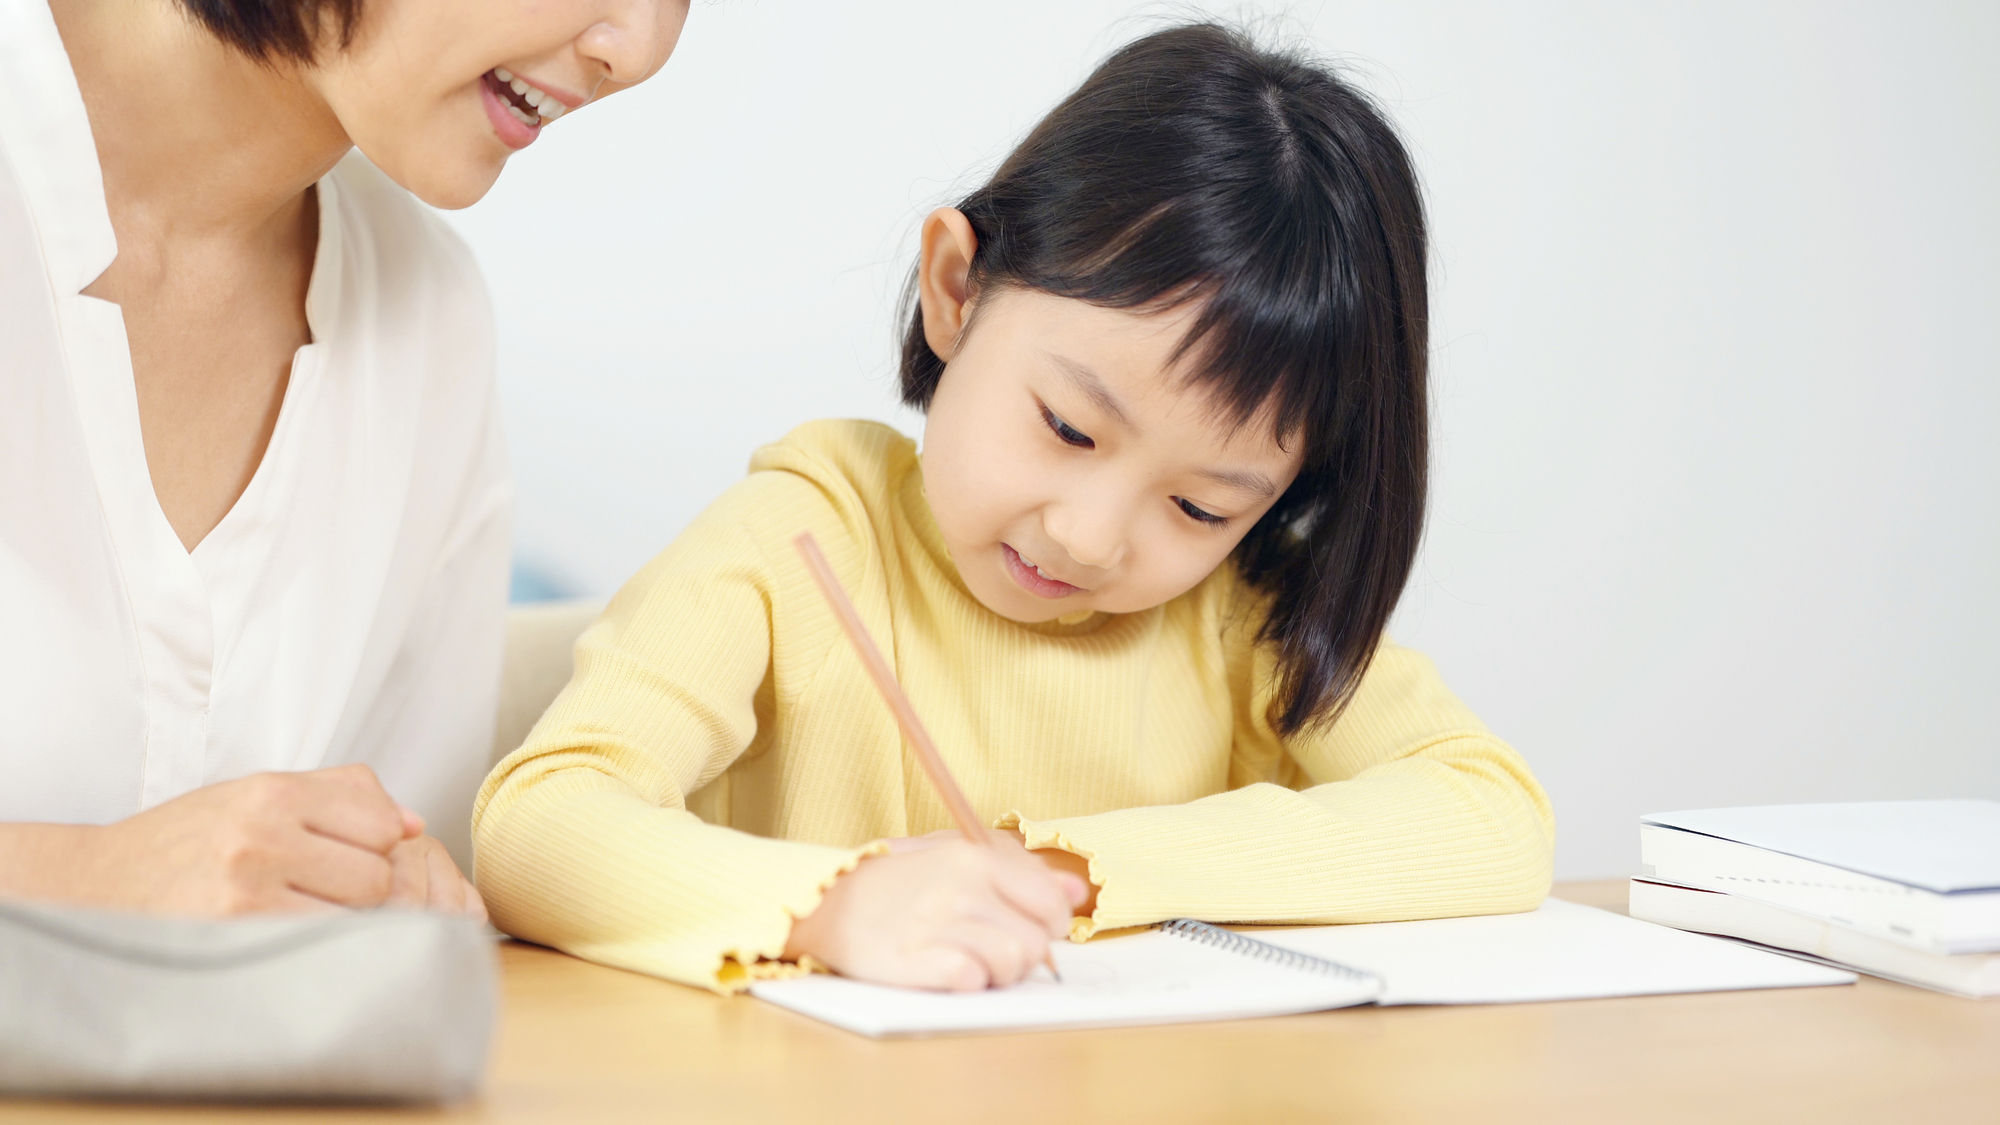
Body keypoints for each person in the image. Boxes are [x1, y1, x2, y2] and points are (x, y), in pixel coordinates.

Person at [472, 23, 1554, 993]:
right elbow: (537, 827)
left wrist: (1072, 869)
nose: (1089, 536)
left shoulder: (1239, 614)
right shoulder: (796, 541)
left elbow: (1491, 813)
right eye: (1068, 429)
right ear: (957, 288)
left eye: (1197, 506)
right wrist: (831, 907)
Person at [0, 0, 687, 917]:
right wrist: (83, 881)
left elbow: (389, 882)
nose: (638, 49)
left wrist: (388, 890)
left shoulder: (430, 324)